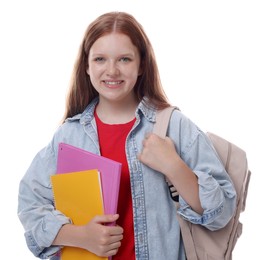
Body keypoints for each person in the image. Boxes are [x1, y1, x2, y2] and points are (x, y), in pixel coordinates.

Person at [17, 11, 237, 260]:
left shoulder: (173, 126)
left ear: (141, 64)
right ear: (87, 67)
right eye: (100, 59)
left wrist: (174, 166)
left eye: (124, 59)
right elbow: (30, 204)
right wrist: (80, 236)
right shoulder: (68, 136)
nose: (112, 70)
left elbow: (222, 212)